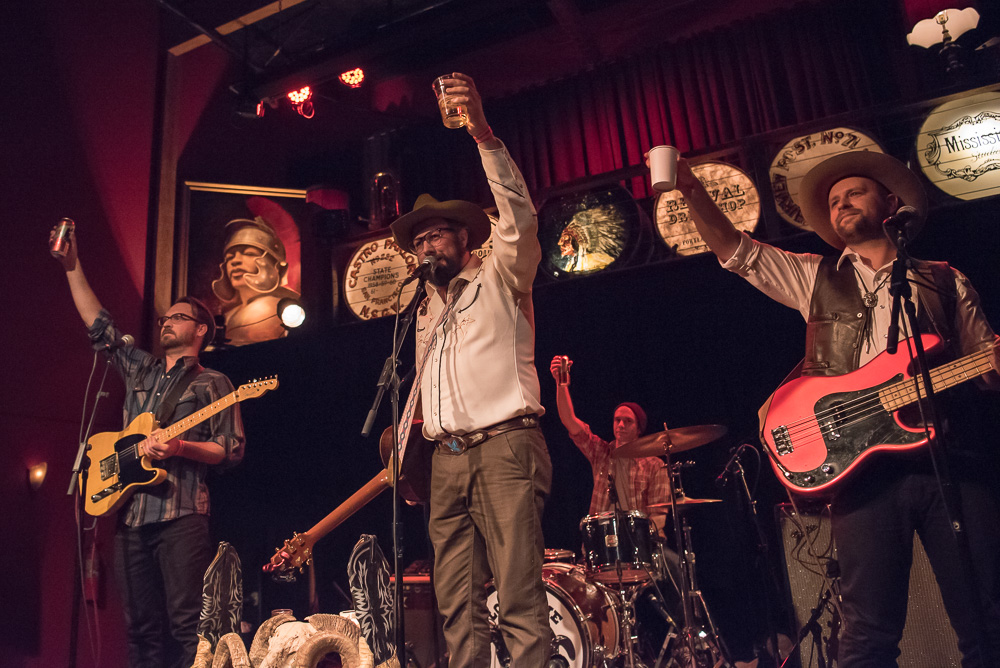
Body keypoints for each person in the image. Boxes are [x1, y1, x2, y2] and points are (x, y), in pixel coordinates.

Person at [668, 148, 1000, 667]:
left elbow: (986, 367)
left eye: (854, 193)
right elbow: (736, 251)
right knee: (867, 635)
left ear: (890, 202)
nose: (842, 203)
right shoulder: (816, 277)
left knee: (987, 619)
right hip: (861, 471)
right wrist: (690, 190)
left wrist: (989, 368)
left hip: (949, 463)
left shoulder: (943, 279)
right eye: (834, 201)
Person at [388, 72, 554, 667]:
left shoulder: (502, 276)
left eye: (439, 236)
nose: (429, 246)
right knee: (454, 602)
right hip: (446, 461)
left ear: (464, 240)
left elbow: (520, 217)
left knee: (518, 598)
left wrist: (481, 132)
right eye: (422, 240)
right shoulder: (422, 310)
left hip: (505, 448)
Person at [53, 226, 246, 668]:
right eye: (164, 318)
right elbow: (99, 327)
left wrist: (180, 448)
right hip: (132, 515)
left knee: (186, 628)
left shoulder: (214, 382)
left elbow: (230, 449)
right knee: (139, 632)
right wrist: (71, 266)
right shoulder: (142, 371)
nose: (165, 321)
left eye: (176, 318)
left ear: (200, 330)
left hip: (181, 516)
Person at [548, 355, 671, 522]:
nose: (620, 425)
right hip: (604, 538)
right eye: (617, 420)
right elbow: (569, 419)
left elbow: (658, 517)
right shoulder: (602, 452)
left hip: (639, 541)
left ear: (639, 429)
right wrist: (561, 384)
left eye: (628, 421)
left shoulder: (655, 466)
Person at [211, 216, 300, 346]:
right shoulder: (230, 315)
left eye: (249, 253)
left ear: (274, 264)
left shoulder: (274, 308)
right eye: (230, 257)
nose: (235, 261)